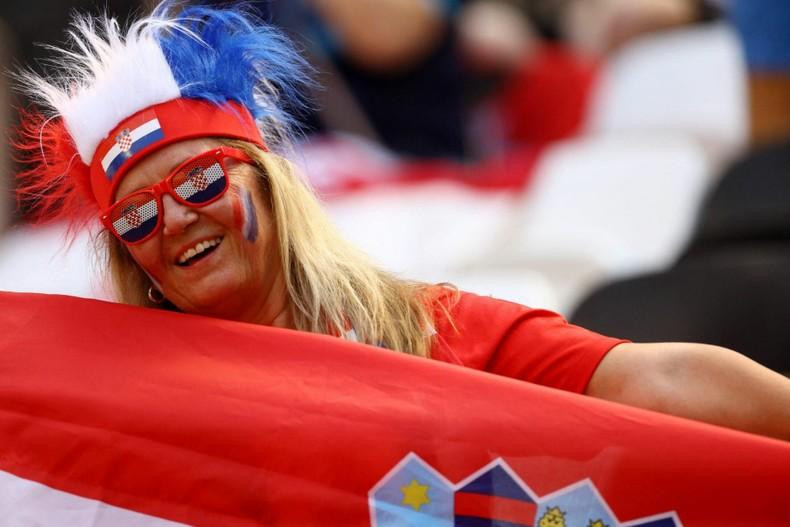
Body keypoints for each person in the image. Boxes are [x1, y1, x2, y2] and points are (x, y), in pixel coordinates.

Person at [14, 1, 790, 441]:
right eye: (138, 218)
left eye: (201, 180)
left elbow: (647, 379)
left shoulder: (424, 330)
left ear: (271, 184)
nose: (175, 219)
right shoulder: (120, 401)